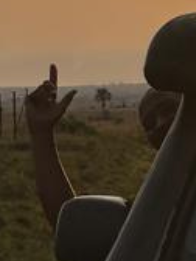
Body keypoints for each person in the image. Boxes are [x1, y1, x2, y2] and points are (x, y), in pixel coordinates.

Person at [25, 64, 179, 230]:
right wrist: (42, 134)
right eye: (150, 123)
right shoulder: (166, 197)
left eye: (169, 110)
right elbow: (76, 229)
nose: (160, 123)